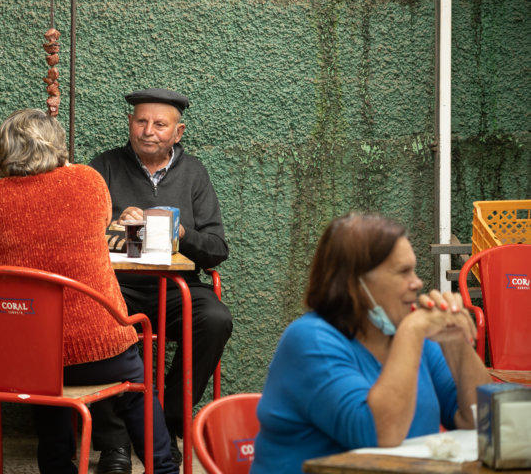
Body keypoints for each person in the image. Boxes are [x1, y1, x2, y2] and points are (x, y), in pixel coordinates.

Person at [0, 108, 178, 474]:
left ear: (3, 150)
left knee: (43, 374)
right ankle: (162, 468)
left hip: (23, 362)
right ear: (56, 147)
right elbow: (97, 224)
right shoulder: (88, 182)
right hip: (103, 356)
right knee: (140, 388)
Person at [251, 213, 491, 474]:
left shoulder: (414, 337)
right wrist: (412, 331)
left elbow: (480, 420)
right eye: (403, 272)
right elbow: (379, 434)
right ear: (355, 283)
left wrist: (455, 342)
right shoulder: (310, 340)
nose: (418, 283)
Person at [88, 88, 232, 472]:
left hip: (177, 290)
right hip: (118, 288)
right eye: (141, 121)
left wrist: (180, 231)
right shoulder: (104, 166)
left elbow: (217, 248)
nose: (148, 131)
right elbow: (80, 236)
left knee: (215, 319)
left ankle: (165, 422)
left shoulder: (194, 173)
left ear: (178, 132)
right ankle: (114, 443)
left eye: (159, 124)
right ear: (130, 124)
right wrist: (113, 227)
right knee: (91, 318)